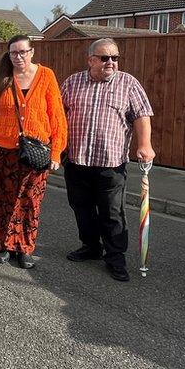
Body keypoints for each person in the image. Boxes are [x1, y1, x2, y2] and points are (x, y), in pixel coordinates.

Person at [61, 38, 156, 282]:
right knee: (81, 208)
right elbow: (58, 116)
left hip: (111, 163)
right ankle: (91, 247)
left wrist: (145, 145)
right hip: (76, 159)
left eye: (115, 58)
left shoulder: (128, 84)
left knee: (112, 212)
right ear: (91, 60)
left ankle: (115, 257)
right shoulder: (72, 83)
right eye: (105, 58)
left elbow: (142, 116)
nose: (111, 62)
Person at [0, 34, 67, 270]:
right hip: (2, 150)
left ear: (32, 51)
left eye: (22, 52)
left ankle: (24, 247)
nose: (18, 57)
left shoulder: (46, 76)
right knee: (2, 198)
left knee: (30, 201)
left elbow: (56, 116)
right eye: (13, 53)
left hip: (36, 151)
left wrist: (56, 151)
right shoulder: (2, 77)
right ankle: (2, 245)